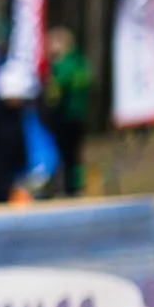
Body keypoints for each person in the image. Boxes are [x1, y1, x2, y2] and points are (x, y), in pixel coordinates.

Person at [43, 27, 92, 195]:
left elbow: (54, 92)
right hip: (78, 115)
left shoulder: (64, 65)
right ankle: (76, 186)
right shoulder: (80, 62)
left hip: (65, 116)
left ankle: (69, 188)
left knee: (66, 154)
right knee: (74, 154)